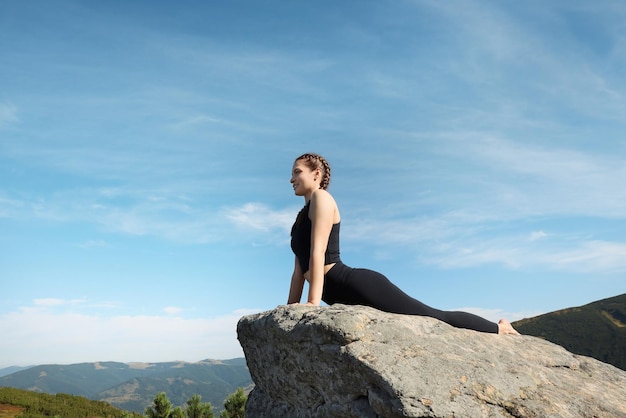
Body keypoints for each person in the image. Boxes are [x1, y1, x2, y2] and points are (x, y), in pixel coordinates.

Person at [288, 152, 520, 335]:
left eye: (297, 172)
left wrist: (312, 303)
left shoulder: (322, 198)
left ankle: (499, 328)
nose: (292, 179)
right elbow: (299, 271)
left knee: (432, 316)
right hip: (336, 294)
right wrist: (289, 309)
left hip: (354, 285)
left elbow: (318, 252)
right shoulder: (300, 219)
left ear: (316, 174)